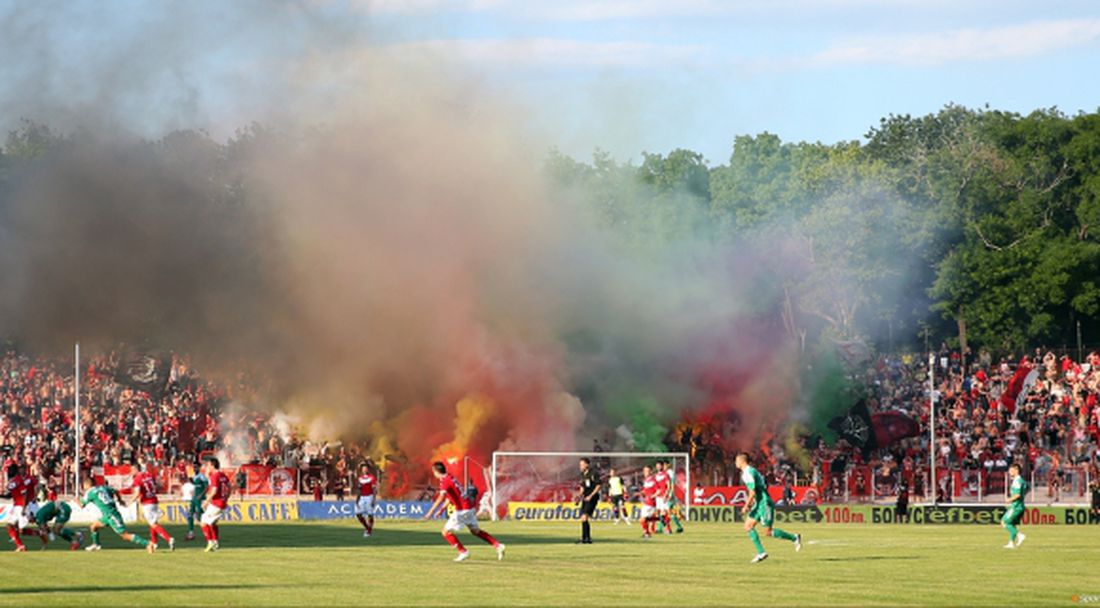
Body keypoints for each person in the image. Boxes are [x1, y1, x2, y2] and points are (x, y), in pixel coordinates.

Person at [423, 462, 504, 562]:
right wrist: (441, 510)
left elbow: (441, 498)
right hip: (469, 507)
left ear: (436, 471)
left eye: (433, 471)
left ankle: (463, 552)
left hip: (462, 510)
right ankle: (497, 545)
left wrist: (430, 513)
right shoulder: (450, 477)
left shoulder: (445, 481)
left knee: (445, 532)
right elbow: (450, 498)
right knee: (475, 531)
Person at [736, 452, 801, 564]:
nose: (735, 463)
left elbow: (752, 491)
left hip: (764, 503)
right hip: (759, 503)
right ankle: (761, 552)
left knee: (768, 532)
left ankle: (794, 538)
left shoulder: (748, 473)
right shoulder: (752, 471)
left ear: (741, 461)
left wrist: (746, 505)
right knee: (748, 526)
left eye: (736, 460)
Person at [79, 477, 155, 553]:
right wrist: (120, 500)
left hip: (112, 515)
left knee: (125, 535)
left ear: (87, 485)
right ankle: (96, 544)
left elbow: (82, 505)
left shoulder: (90, 492)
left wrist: (76, 500)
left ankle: (148, 543)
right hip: (107, 515)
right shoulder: (103, 487)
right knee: (93, 526)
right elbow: (115, 491)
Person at [135, 461, 175, 551]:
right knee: (153, 523)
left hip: (147, 503)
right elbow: (157, 485)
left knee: (153, 524)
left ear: (136, 469)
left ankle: (169, 539)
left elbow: (137, 493)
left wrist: (131, 501)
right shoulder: (149, 476)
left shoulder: (137, 478)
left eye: (132, 469)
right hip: (154, 501)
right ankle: (154, 542)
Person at [4, 463, 38, 552]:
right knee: (9, 526)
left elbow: (25, 494)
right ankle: (20, 546)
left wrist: (24, 507)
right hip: (16, 507)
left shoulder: (19, 481)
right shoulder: (13, 481)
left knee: (22, 530)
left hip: (21, 506)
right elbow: (9, 495)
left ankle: (40, 533)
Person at [200, 457, 232, 552]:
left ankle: (210, 542)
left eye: (208, 465)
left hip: (216, 503)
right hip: (221, 502)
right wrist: (226, 498)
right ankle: (215, 542)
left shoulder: (215, 475)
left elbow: (214, 491)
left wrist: (206, 501)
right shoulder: (223, 475)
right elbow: (229, 487)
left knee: (203, 522)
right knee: (212, 523)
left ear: (212, 465)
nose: (207, 467)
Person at [1001, 464, 1028, 549]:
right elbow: (1027, 488)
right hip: (1021, 506)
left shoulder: (1017, 480)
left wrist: (1009, 499)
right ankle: (1011, 543)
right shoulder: (1022, 481)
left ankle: (1020, 535)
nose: (1009, 472)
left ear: (1016, 470)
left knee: (1004, 522)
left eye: (1011, 470)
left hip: (1016, 506)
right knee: (1012, 524)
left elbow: (1017, 495)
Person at [575, 457, 600, 544]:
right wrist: (578, 496)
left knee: (585, 516)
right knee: (583, 517)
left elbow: (598, 486)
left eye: (582, 464)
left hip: (593, 497)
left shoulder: (593, 473)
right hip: (586, 497)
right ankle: (586, 538)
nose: (580, 466)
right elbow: (582, 488)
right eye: (580, 464)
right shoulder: (582, 474)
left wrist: (591, 496)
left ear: (587, 465)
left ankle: (586, 538)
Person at [184, 463, 209, 541]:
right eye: (194, 467)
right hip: (194, 498)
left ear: (199, 468)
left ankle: (208, 532)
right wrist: (191, 481)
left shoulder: (202, 476)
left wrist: (201, 495)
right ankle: (191, 533)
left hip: (200, 498)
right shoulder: (195, 476)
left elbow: (206, 486)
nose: (195, 469)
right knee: (190, 515)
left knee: (200, 515)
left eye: (196, 467)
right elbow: (196, 485)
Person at [354, 461, 377, 538]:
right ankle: (367, 528)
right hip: (362, 497)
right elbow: (359, 490)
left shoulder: (372, 478)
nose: (364, 469)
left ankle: (368, 531)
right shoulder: (360, 478)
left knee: (370, 515)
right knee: (358, 514)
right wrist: (357, 499)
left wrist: (374, 499)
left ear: (368, 469)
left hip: (369, 497)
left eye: (366, 468)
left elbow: (374, 489)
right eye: (363, 468)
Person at [639, 465, 658, 539]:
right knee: (646, 519)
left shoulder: (653, 480)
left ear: (651, 471)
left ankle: (646, 533)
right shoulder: (646, 480)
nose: (645, 472)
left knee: (642, 519)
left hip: (650, 502)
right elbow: (646, 490)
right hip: (646, 502)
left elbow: (658, 490)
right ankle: (661, 519)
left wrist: (653, 496)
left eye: (646, 471)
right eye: (644, 471)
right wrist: (641, 493)